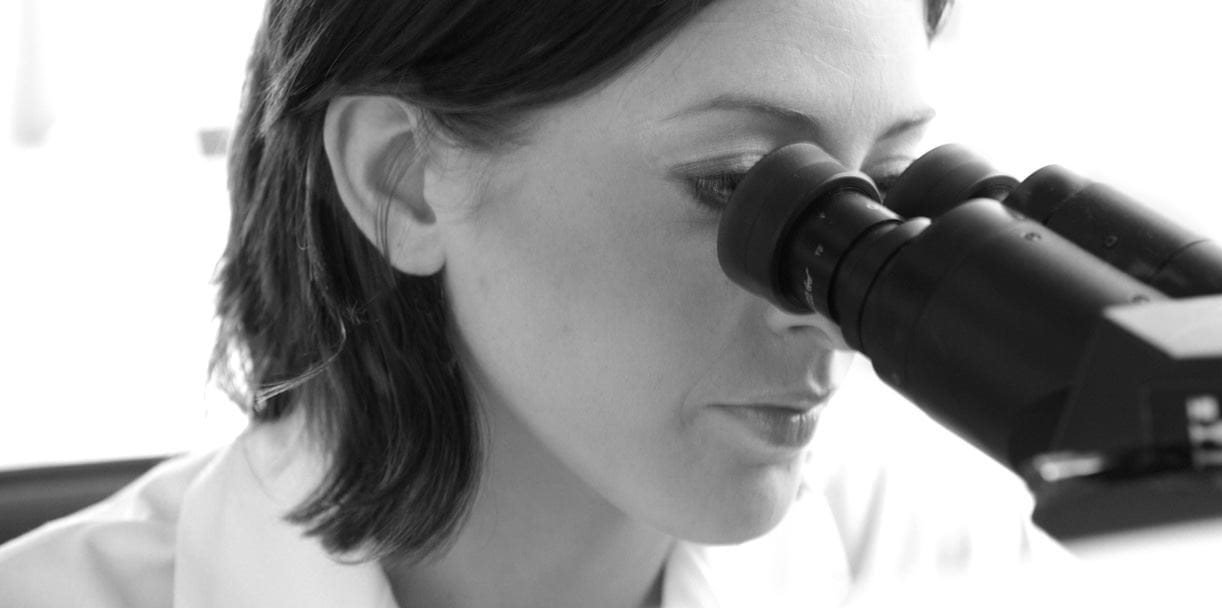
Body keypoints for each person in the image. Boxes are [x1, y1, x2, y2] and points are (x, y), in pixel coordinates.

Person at [0, 0, 1063, 605]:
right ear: (405, 178)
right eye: (743, 187)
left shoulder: (940, 565)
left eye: (885, 188)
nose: (829, 307)